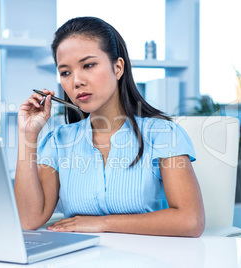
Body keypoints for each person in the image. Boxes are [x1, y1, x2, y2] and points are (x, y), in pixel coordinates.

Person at [15, 16, 205, 237]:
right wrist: (27, 135)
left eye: (88, 65)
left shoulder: (161, 135)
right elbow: (27, 220)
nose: (76, 81)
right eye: (65, 72)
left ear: (118, 67)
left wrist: (102, 223)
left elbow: (190, 221)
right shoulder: (59, 141)